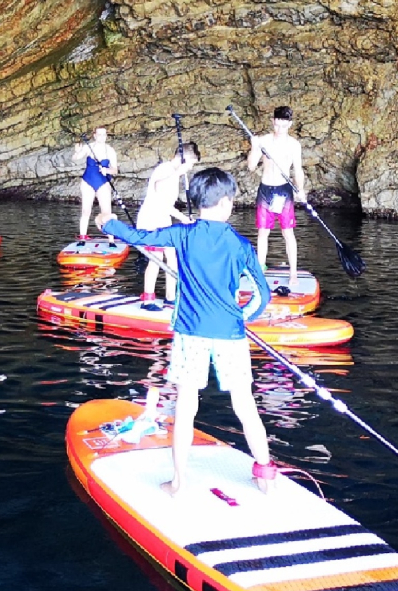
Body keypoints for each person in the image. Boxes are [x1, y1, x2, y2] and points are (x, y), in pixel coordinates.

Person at [96, 168, 276, 496]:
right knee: (245, 405)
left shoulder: (182, 235)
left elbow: (139, 237)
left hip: (190, 334)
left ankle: (178, 483)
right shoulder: (241, 245)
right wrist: (241, 319)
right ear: (226, 204)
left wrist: (108, 223)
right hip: (231, 336)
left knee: (186, 406)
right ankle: (264, 477)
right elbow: (263, 295)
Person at [135, 142, 200, 311]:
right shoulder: (165, 169)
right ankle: (147, 300)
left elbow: (166, 205)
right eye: (191, 164)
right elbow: (158, 186)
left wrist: (183, 218)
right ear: (185, 159)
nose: (190, 168)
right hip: (150, 220)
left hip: (163, 219)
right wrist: (179, 171)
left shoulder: (174, 174)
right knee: (155, 259)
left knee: (173, 257)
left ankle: (170, 297)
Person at [247, 105, 307, 284]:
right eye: (277, 125)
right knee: (262, 233)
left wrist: (300, 189)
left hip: (283, 190)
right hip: (266, 189)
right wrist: (254, 147)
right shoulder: (263, 141)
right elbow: (251, 166)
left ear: (290, 124)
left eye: (284, 125)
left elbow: (298, 170)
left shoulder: (294, 145)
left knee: (288, 233)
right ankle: (260, 271)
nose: (279, 129)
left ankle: (294, 273)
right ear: (272, 121)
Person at [72, 127, 118, 239]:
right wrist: (77, 152)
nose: (101, 137)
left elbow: (115, 170)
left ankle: (111, 240)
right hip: (87, 181)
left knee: (107, 212)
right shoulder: (89, 147)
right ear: (95, 136)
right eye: (99, 134)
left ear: (106, 136)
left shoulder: (110, 150)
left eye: (104, 135)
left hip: (103, 182)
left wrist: (106, 170)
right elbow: (75, 158)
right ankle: (83, 236)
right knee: (86, 210)